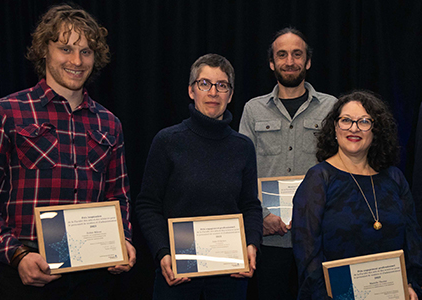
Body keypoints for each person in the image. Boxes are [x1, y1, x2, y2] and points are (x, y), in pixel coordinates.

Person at [0, 4, 136, 300]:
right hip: (26, 275)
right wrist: (16, 254)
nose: (77, 60)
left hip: (94, 279)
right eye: (66, 48)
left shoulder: (109, 123)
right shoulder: (4, 113)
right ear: (44, 50)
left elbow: (118, 197)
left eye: (86, 51)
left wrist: (122, 240)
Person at [136, 53, 262, 300]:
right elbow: (147, 204)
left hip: (230, 275)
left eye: (222, 85)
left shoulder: (243, 147)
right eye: (204, 84)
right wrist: (162, 253)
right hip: (178, 274)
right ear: (191, 91)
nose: (213, 92)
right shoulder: (167, 141)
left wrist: (252, 243)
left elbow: (250, 205)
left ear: (231, 94)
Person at [292, 90, 422, 299]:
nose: (354, 128)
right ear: (335, 128)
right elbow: (308, 255)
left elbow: (413, 244)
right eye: (346, 120)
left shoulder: (395, 178)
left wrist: (412, 285)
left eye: (364, 121)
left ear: (376, 130)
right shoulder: (318, 179)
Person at [239, 27, 337, 299]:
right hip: (270, 239)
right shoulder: (252, 110)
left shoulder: (332, 108)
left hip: (320, 238)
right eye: (282, 55)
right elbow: (242, 173)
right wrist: (261, 218)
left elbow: (342, 168)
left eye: (297, 54)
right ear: (272, 63)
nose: (290, 61)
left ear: (308, 62)